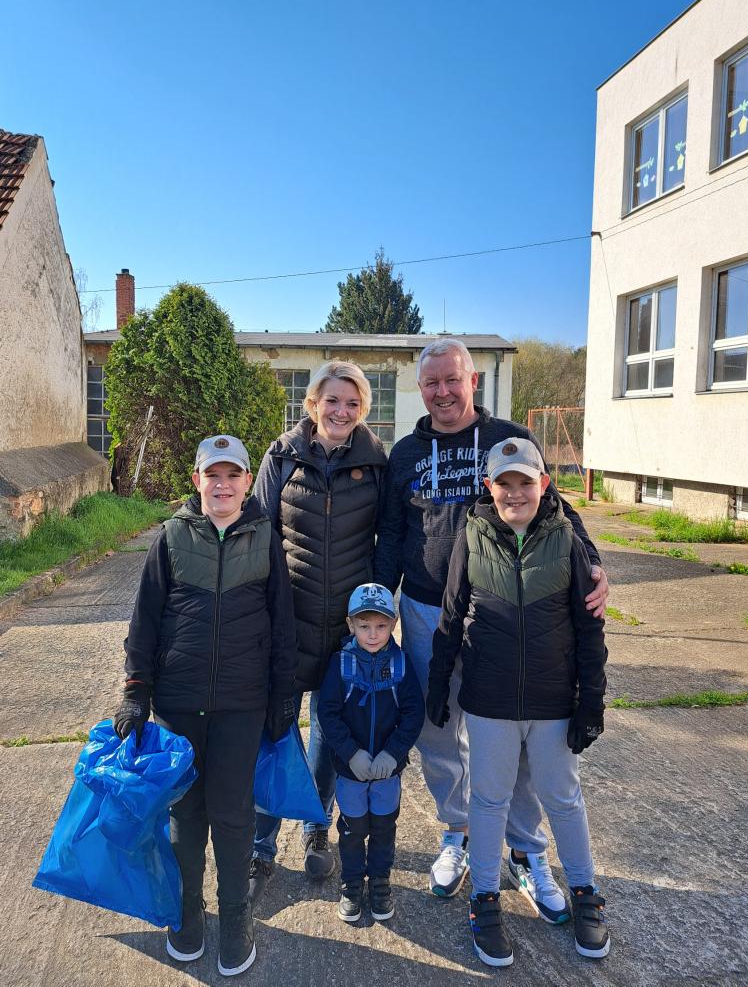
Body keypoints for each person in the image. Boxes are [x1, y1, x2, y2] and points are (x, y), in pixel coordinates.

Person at [374, 337, 608, 913]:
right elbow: (392, 535)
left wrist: (592, 562)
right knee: (438, 728)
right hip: (427, 610)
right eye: (432, 383)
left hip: (506, 613)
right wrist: (380, 602)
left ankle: (525, 849)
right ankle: (458, 831)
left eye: (452, 380)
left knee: (519, 732)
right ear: (420, 388)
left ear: (472, 381)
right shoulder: (405, 454)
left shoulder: (510, 440)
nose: (443, 392)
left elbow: (558, 509)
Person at [113, 435, 296, 977]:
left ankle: (235, 918)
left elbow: (282, 625)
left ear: (247, 482)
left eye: (233, 474)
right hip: (178, 702)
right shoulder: (170, 537)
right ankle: (187, 913)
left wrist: (283, 694)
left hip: (243, 704)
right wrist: (135, 690)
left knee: (234, 815)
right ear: (197, 481)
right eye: (212, 475)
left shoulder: (265, 539)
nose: (222, 484)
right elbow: (144, 621)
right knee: (185, 813)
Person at [427, 436, 610, 966]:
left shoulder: (567, 539)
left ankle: (585, 892)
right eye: (504, 484)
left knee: (563, 798)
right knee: (488, 800)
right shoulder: (472, 534)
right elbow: (451, 614)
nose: (514, 493)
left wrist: (591, 700)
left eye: (525, 483)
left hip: (554, 702)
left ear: (544, 484)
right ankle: (484, 898)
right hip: (490, 701)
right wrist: (438, 683)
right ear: (489, 486)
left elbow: (589, 627)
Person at [248, 361, 388, 903]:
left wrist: (375, 612)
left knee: (329, 732)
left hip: (345, 630)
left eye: (352, 403)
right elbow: (259, 533)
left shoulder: (375, 462)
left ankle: (316, 827)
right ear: (312, 404)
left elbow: (387, 538)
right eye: (332, 400)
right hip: (287, 621)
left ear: (363, 409)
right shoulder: (282, 456)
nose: (341, 412)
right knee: (276, 731)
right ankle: (261, 845)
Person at [317, 583, 424, 922]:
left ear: (393, 624)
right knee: (352, 830)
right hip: (351, 771)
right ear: (351, 625)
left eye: (381, 625)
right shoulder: (341, 664)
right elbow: (327, 714)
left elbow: (414, 713)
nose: (373, 634)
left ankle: (380, 881)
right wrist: (351, 753)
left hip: (387, 772)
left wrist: (393, 753)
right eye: (364, 626)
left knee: (383, 828)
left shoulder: (401, 664)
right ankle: (351, 884)